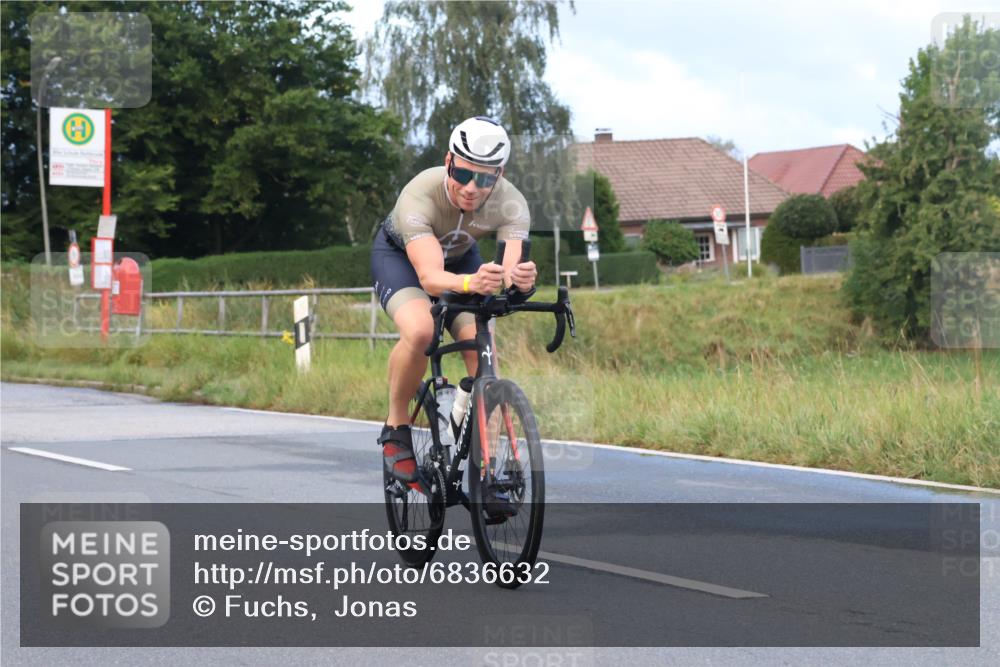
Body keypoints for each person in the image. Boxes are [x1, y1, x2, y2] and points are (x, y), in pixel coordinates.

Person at [371, 116, 538, 483]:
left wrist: (522, 281)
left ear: (499, 175)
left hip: (462, 261)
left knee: (483, 349)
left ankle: (488, 470)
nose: (471, 188)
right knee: (422, 331)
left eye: (485, 179)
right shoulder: (419, 194)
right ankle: (396, 425)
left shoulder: (512, 202)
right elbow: (430, 277)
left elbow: (511, 272)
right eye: (462, 174)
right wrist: (471, 282)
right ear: (448, 161)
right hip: (403, 261)